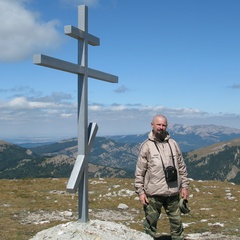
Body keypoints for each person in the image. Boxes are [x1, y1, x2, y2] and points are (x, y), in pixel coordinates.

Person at [134, 115, 189, 240]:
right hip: (153, 194)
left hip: (173, 192)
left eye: (163, 125)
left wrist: (185, 186)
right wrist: (140, 192)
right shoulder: (146, 146)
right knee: (150, 224)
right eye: (158, 124)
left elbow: (181, 167)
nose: (161, 127)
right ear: (152, 125)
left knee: (177, 224)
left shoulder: (173, 144)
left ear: (167, 126)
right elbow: (139, 172)